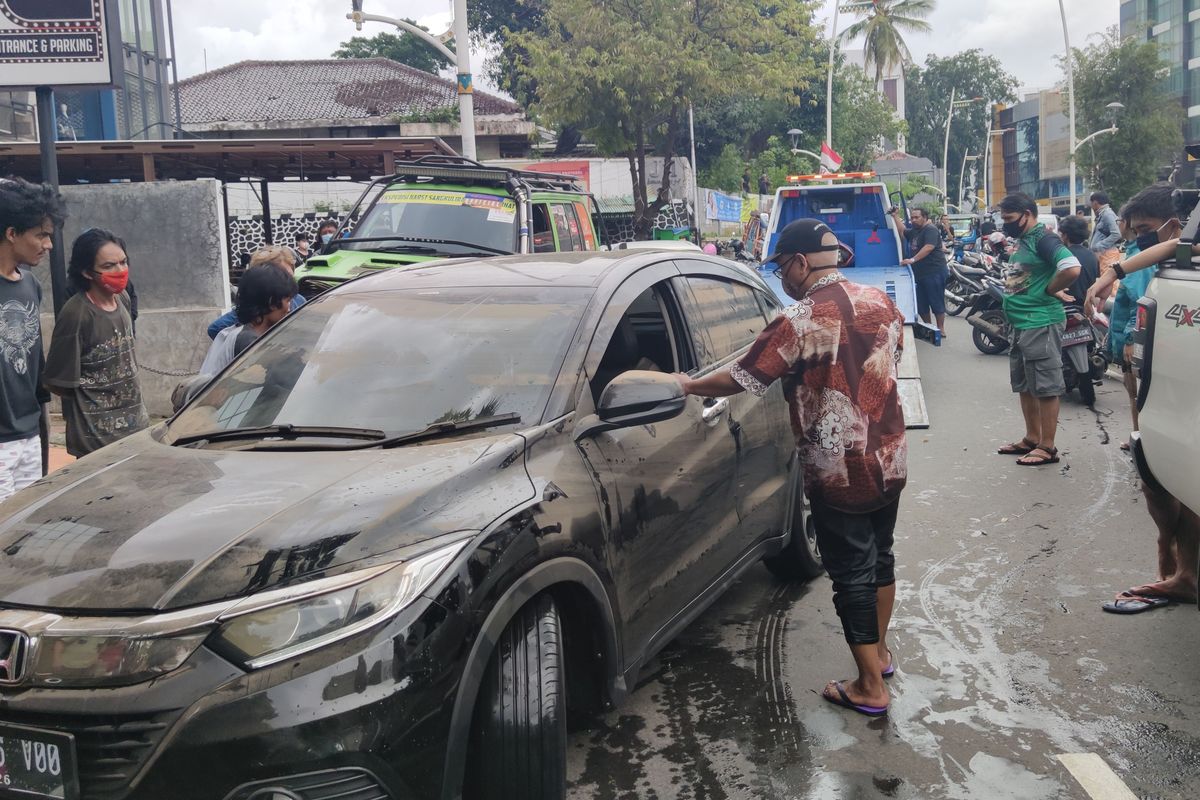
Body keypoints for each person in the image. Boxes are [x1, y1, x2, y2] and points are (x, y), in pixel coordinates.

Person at [676, 219, 907, 718]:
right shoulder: (881, 301)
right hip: (889, 457)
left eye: (781, 266)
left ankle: (870, 686)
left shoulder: (802, 318)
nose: (781, 276)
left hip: (839, 469)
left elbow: (744, 377)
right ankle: (881, 656)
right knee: (880, 557)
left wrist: (688, 386)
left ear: (800, 263)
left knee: (850, 575)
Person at [44, 229, 149, 458]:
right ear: (86, 272)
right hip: (96, 443)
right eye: (109, 266)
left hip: (136, 432)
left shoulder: (122, 299)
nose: (120, 271)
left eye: (123, 262)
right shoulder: (76, 314)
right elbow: (59, 381)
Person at [994, 193, 1081, 467]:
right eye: (1003, 219)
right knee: (1025, 384)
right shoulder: (1024, 240)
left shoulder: (1045, 239)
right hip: (1021, 323)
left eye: (1010, 219)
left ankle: (1047, 446)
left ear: (1028, 215)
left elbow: (1071, 267)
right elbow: (1025, 278)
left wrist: (1050, 289)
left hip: (1040, 322)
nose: (1005, 224)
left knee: (1045, 386)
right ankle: (1031, 438)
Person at [0, 177, 64, 500]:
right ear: (12, 234)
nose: (48, 245)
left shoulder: (30, 286)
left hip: (29, 433)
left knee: (24, 530)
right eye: (41, 235)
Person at [199, 263, 297, 377]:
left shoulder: (245, 333)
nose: (289, 308)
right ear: (272, 303)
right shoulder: (247, 341)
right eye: (288, 301)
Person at [207, 245, 306, 339]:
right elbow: (215, 329)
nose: (287, 282)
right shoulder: (251, 309)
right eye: (280, 277)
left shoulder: (299, 301)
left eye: (289, 275)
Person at [893, 207, 949, 337]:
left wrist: (912, 259)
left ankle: (941, 329)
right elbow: (902, 231)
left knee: (936, 301)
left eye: (916, 217)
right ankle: (929, 327)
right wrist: (895, 216)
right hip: (918, 274)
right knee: (921, 302)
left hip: (934, 271)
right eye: (912, 218)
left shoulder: (930, 230)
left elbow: (928, 247)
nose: (913, 220)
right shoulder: (914, 231)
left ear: (924, 217)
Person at [1055, 215, 1099, 304]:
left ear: (1065, 236)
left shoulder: (1062, 255)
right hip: (1086, 305)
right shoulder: (1092, 256)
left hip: (1065, 305)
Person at [1089, 191, 1121, 272]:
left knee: (1108, 280)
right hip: (1104, 254)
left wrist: (1099, 246)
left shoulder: (1107, 214)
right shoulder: (1102, 214)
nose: (1091, 206)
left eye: (1091, 203)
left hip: (1108, 254)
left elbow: (1116, 234)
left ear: (1095, 203)